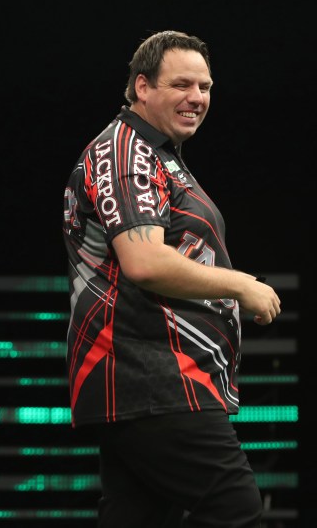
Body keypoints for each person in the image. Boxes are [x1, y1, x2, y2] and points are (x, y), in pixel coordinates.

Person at [62, 30, 281, 528]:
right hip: (154, 379)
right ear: (142, 86)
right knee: (235, 509)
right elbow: (146, 263)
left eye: (205, 87)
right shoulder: (126, 151)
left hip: (149, 380)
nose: (197, 97)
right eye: (182, 84)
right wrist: (241, 285)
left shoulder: (158, 154)